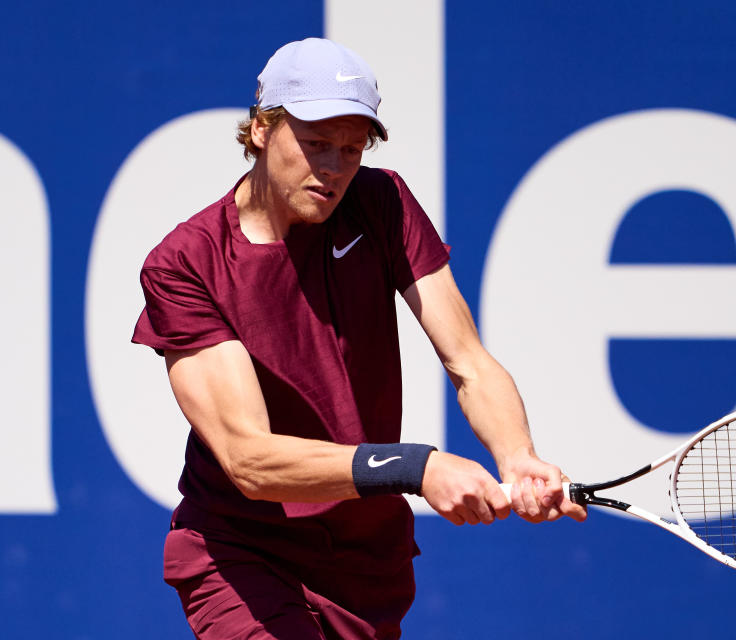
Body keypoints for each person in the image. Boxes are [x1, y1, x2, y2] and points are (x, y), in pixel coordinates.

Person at [133, 37, 585, 639]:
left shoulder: (383, 203)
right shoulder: (186, 264)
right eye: (315, 144)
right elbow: (250, 460)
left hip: (363, 564)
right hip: (241, 553)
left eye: (351, 149)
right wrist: (415, 467)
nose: (334, 168)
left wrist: (517, 455)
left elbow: (469, 362)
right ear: (262, 131)